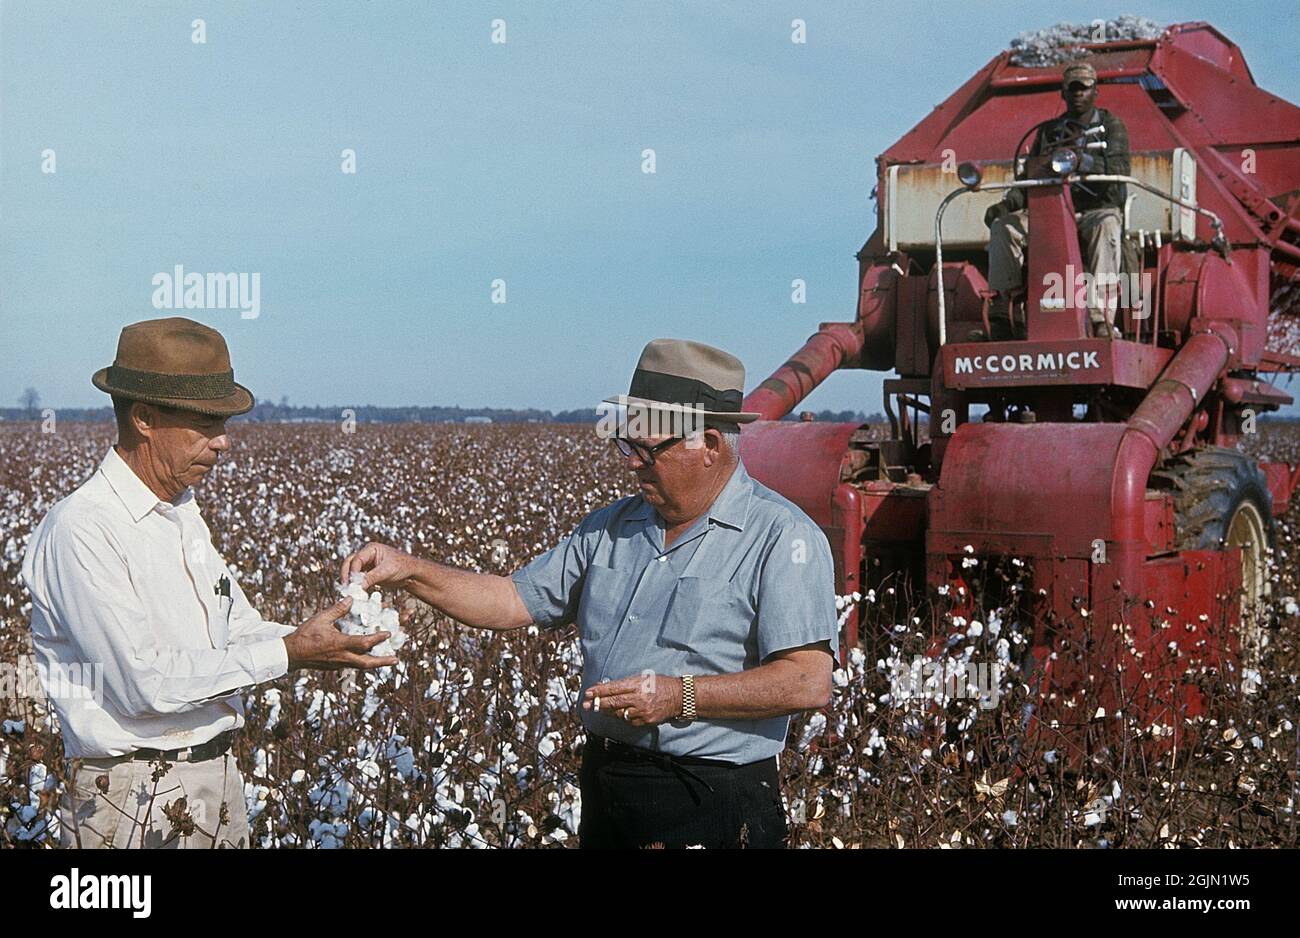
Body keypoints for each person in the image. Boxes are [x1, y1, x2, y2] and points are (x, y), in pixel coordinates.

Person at [342, 338, 839, 848]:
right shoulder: (611, 527)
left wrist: (680, 697)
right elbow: (511, 599)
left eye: (648, 449)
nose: (631, 463)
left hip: (714, 801)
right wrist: (409, 570)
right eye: (627, 444)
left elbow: (807, 680)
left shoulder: (782, 537)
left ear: (709, 445)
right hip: (609, 787)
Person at [22, 317, 397, 849]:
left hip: (215, 778)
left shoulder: (180, 515)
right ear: (145, 418)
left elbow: (236, 626)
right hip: (129, 797)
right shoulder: (83, 531)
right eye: (205, 423)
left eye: (224, 423)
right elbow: (142, 685)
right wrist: (291, 652)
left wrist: (329, 638)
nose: (223, 443)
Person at [979, 61, 1131, 340]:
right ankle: (1004, 308)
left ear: (1095, 91)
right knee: (1005, 227)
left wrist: (1082, 161)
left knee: (1107, 226)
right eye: (1072, 89)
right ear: (1063, 93)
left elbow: (1120, 170)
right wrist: (1007, 205)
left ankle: (1100, 317)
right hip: (1050, 210)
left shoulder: (1111, 125)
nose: (1078, 94)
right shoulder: (1048, 131)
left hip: (1094, 209)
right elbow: (1029, 178)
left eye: (1084, 89)